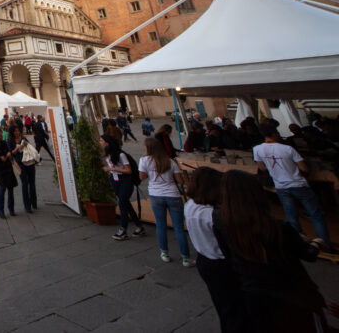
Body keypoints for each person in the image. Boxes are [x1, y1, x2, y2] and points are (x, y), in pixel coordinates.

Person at [213, 170, 328, 332]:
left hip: (254, 294)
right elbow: (308, 254)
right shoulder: (278, 228)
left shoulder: (221, 222)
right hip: (291, 296)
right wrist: (317, 242)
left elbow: (228, 255)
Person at [253, 123, 332, 250]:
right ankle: (325, 242)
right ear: (274, 133)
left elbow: (262, 167)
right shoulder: (288, 149)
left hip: (280, 186)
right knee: (315, 214)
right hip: (298, 183)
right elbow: (304, 168)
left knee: (291, 216)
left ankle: (299, 241)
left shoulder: (257, 149)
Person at [183, 167, 241, 333]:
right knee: (235, 307)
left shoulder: (190, 205)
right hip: (223, 264)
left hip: (204, 260)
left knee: (224, 306)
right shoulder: (212, 215)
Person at [139, 137, 192, 265]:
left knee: (160, 225)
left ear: (149, 148)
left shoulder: (144, 160)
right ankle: (185, 257)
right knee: (179, 227)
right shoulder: (171, 162)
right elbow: (180, 181)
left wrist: (151, 173)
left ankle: (164, 253)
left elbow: (142, 177)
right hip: (172, 194)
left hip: (156, 195)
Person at [101, 135, 145, 241]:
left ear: (107, 142)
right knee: (125, 203)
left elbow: (128, 170)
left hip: (125, 180)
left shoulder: (121, 155)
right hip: (114, 179)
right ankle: (139, 226)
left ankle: (123, 229)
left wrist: (112, 169)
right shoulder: (107, 154)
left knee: (122, 203)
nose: (100, 142)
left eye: (101, 140)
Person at [9, 127, 37, 213]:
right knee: (25, 183)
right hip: (20, 163)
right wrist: (17, 148)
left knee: (32, 182)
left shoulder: (23, 138)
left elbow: (29, 147)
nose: (17, 132)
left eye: (18, 131)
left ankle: (34, 202)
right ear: (12, 133)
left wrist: (25, 144)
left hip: (29, 161)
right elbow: (11, 153)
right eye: (15, 131)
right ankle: (27, 206)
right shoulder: (10, 141)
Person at [0, 132, 17, 218]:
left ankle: (11, 209)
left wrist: (8, 153)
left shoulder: (4, 143)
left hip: (8, 168)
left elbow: (8, 151)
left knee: (10, 189)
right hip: (0, 169)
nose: (2, 136)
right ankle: (0, 210)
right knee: (2, 188)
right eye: (0, 135)